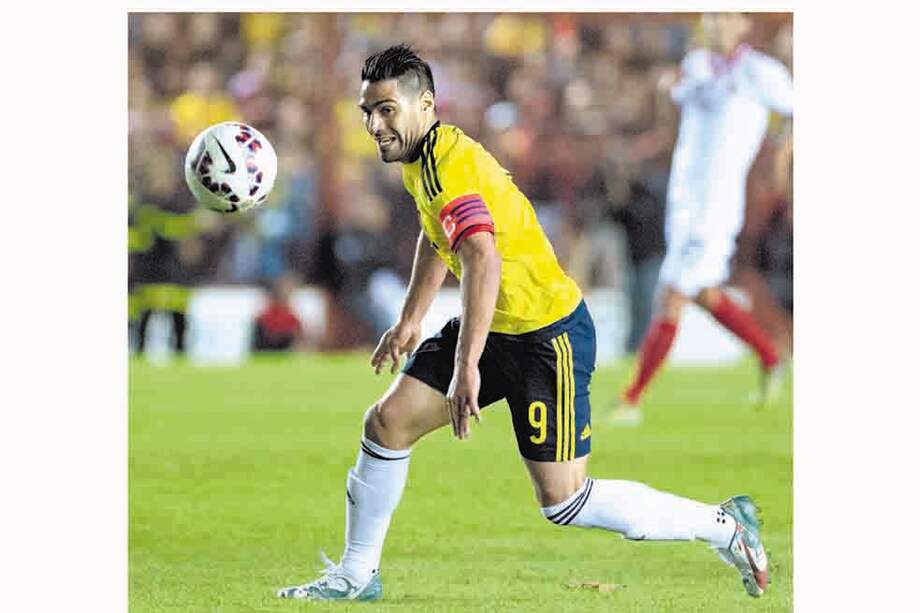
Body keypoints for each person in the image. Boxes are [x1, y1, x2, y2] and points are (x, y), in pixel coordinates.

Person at [277, 44, 769, 602]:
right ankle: (356, 574)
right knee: (387, 425)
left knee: (565, 501)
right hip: (496, 326)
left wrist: (466, 367)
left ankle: (724, 527)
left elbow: (482, 257)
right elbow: (438, 237)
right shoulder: (423, 159)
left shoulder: (449, 166)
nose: (374, 124)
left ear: (426, 104)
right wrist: (411, 320)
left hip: (546, 335)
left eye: (387, 109)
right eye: (368, 110)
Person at [613, 14, 793, 425]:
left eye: (723, 15)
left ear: (742, 22)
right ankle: (770, 357)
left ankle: (632, 399)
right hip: (684, 198)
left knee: (673, 292)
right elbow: (675, 115)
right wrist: (663, 93)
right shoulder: (697, 66)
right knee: (705, 293)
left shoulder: (762, 73)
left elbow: (794, 114)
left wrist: (780, 159)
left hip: (717, 203)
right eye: (710, 16)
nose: (713, 22)